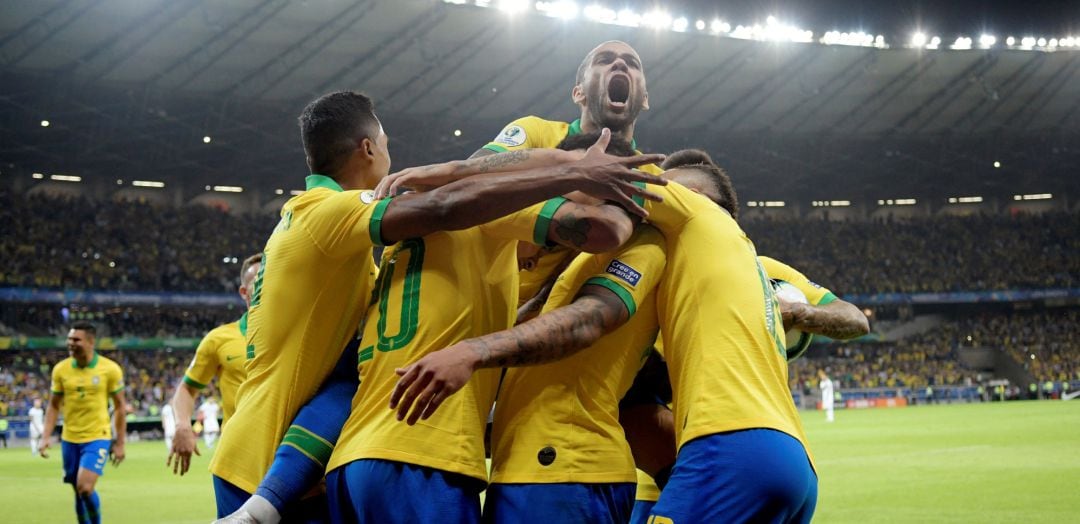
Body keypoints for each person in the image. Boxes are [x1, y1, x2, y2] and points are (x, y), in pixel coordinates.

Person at [211, 90, 664, 522]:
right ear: (369, 149)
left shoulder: (377, 247)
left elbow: (466, 185)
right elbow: (592, 227)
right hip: (415, 452)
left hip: (340, 458)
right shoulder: (354, 211)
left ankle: (267, 502)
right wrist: (601, 187)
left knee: (348, 373)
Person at [383, 132, 658, 523]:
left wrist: (473, 351)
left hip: (569, 467)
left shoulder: (638, 245)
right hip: (519, 467)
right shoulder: (566, 263)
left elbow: (585, 322)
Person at [169, 254, 261, 475]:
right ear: (244, 292)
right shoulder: (219, 339)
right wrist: (182, 424)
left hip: (287, 456)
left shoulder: (297, 336)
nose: (266, 288)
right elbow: (187, 389)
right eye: (258, 282)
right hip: (236, 458)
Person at [40, 323, 126, 524]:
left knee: (85, 487)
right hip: (70, 438)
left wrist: (120, 442)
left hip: (98, 436)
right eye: (69, 339)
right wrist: (45, 436)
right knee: (78, 491)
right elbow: (53, 406)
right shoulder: (61, 370)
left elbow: (120, 407)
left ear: (90, 341)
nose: (70, 343)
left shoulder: (110, 369)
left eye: (76, 339)